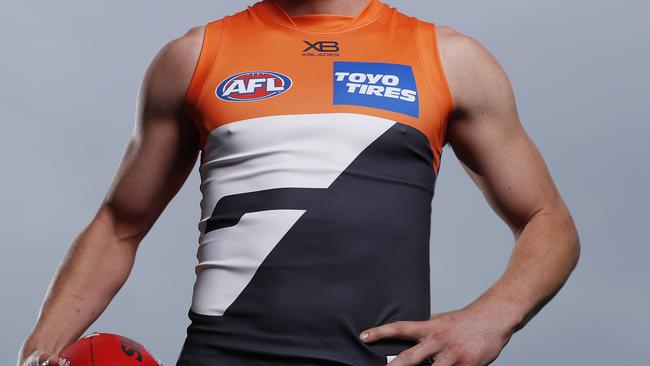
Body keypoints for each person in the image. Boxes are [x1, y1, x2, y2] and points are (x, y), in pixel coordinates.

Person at [18, 0, 580, 365]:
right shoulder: (193, 56)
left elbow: (548, 221)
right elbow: (119, 224)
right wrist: (37, 354)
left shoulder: (450, 59)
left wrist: (492, 319)